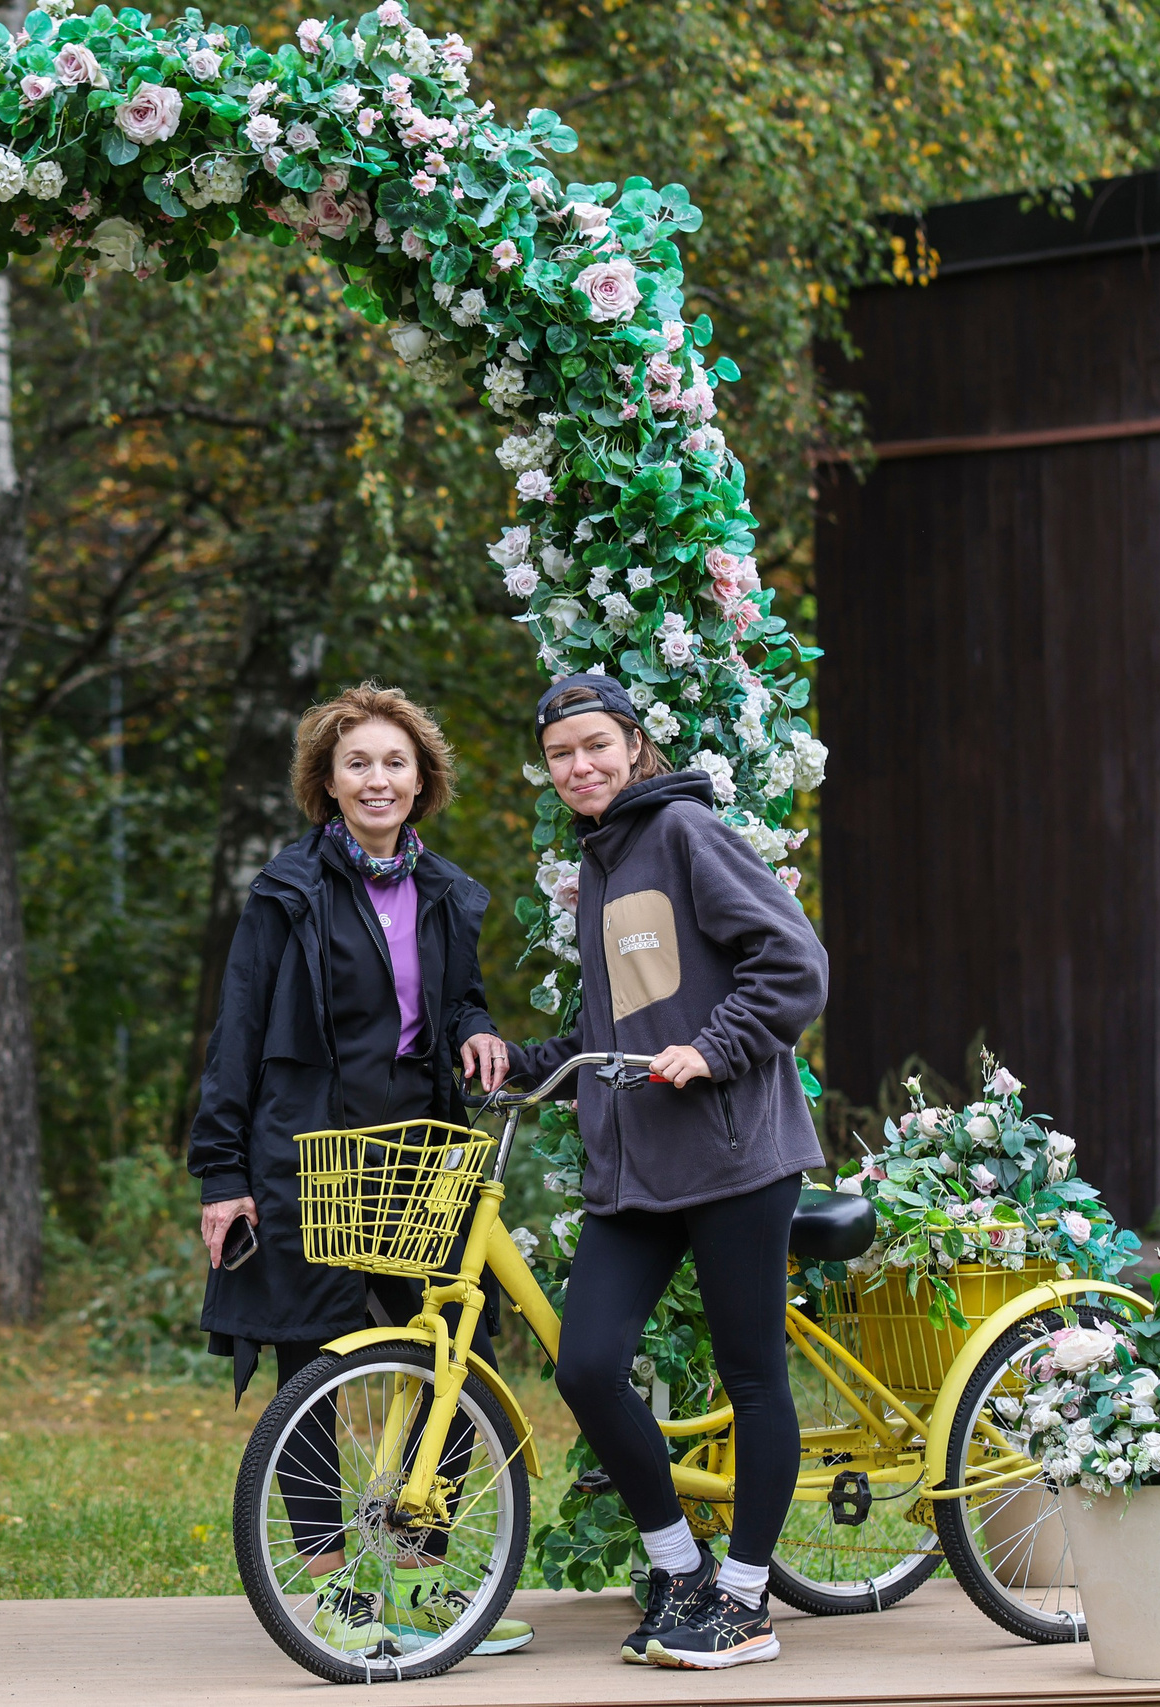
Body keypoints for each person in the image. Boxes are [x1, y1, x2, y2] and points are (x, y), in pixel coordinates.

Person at [188, 682, 530, 1659]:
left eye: (394, 763)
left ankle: (426, 1587)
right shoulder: (287, 894)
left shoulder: (445, 894)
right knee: (312, 1368)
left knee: (457, 1359)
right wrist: (222, 1175)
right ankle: (335, 1596)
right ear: (326, 785)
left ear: (421, 781)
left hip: (421, 1156)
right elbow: (239, 1032)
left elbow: (458, 1004)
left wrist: (480, 1033)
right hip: (307, 1159)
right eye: (357, 764)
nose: (377, 780)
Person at [507, 674, 828, 1671]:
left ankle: (746, 1600)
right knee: (587, 1364)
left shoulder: (684, 832)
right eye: (562, 754)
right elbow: (615, 1029)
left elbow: (793, 962)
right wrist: (516, 1065)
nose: (579, 766)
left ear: (634, 746)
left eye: (595, 745)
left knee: (752, 1378)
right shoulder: (601, 861)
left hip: (734, 1155)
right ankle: (679, 1567)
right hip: (639, 1165)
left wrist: (713, 1046)